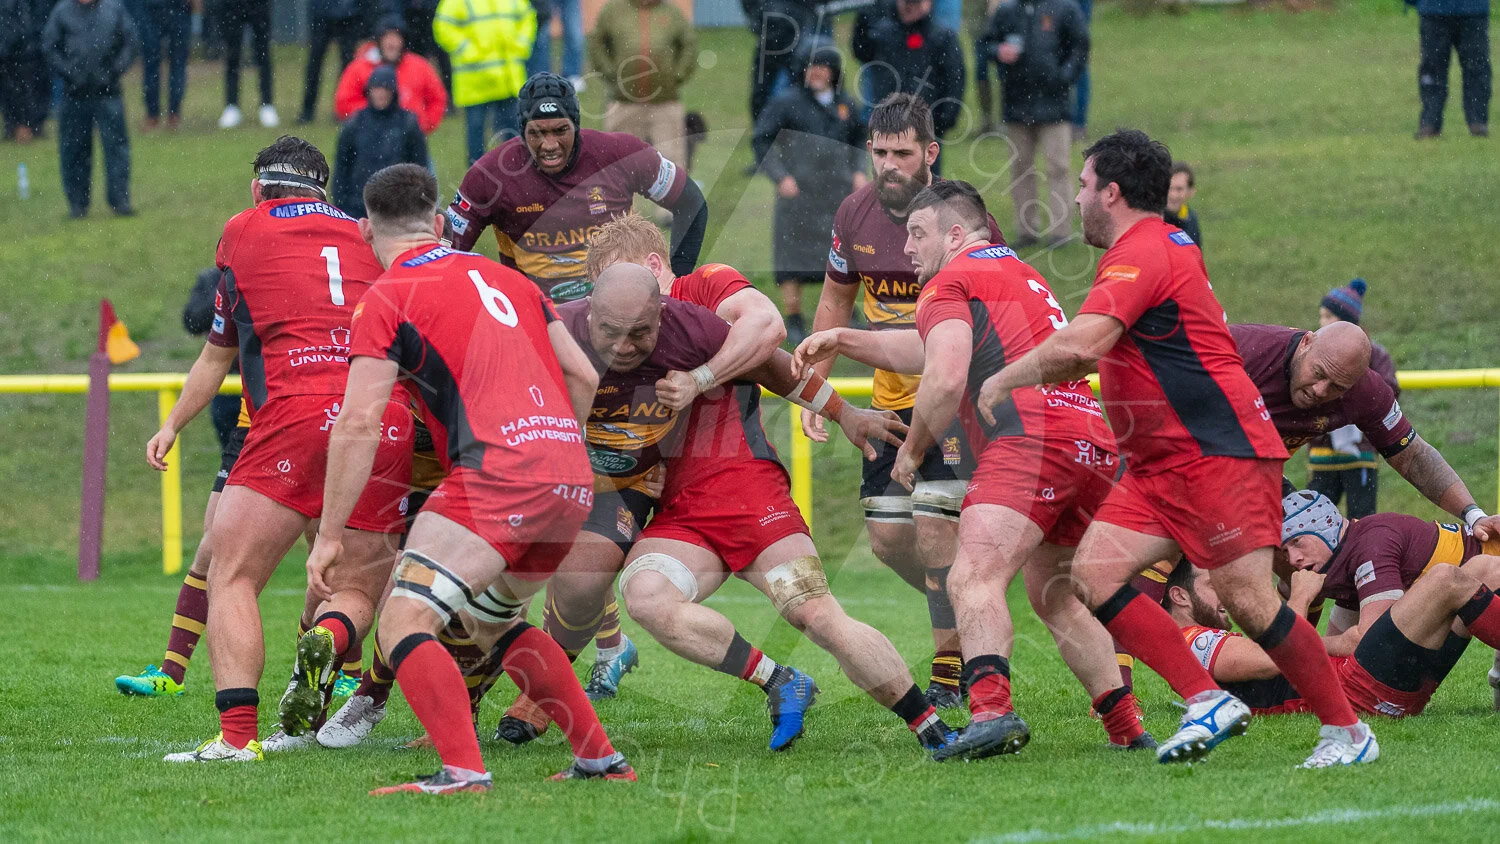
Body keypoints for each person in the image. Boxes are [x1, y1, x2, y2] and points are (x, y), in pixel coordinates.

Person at [973, 128, 1379, 768]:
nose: (1075, 199)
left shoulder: (1147, 249)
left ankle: (1349, 732)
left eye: (1081, 186)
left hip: (1217, 453)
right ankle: (1206, 700)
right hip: (1162, 462)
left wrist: (1000, 376)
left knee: (1248, 602)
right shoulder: (1154, 246)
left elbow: (1082, 345)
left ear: (1110, 192)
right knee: (1092, 574)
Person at [303, 162, 636, 792]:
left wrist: (328, 537)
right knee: (497, 623)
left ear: (369, 236)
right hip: (568, 472)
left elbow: (356, 424)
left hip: (495, 472)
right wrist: (558, 450)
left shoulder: (386, 297)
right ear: (437, 224)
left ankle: (462, 772)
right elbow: (585, 378)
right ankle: (600, 760)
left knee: (404, 619)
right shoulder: (508, 278)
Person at [794, 180, 1152, 758]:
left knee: (970, 577)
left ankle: (990, 713)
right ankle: (1128, 728)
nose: (906, 248)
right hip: (1089, 439)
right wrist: (843, 338)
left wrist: (911, 451)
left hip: (1028, 439)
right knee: (1055, 596)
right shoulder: (1011, 269)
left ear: (955, 234)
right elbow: (929, 349)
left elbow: (942, 377)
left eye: (917, 233)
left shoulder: (949, 280)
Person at [571, 264, 960, 755]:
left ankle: (931, 728)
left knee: (814, 614)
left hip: (748, 492)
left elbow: (770, 351)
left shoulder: (695, 316)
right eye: (614, 329)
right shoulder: (580, 337)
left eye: (639, 329)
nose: (625, 344)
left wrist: (844, 412)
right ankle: (780, 679)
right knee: (646, 596)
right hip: (682, 511)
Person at [156, 137, 412, 763]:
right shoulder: (363, 232)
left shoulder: (242, 230)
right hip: (384, 415)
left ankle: (239, 737)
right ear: (324, 190)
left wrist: (171, 426)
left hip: (296, 414)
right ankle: (326, 635)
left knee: (233, 574)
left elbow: (216, 353)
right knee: (353, 584)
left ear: (256, 190)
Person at [491, 214, 788, 743]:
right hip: (600, 470)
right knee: (537, 574)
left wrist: (839, 410)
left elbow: (771, 345)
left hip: (674, 480)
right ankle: (516, 685)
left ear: (653, 271)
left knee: (586, 581)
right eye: (605, 302)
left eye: (635, 309)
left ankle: (539, 690)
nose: (622, 326)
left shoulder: (703, 298)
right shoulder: (577, 323)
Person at [803, 94, 1004, 707]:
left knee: (937, 532)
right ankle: (970, 605)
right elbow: (837, 301)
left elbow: (992, 304)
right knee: (891, 541)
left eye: (903, 153)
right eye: (880, 152)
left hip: (949, 400)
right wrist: (820, 386)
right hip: (887, 405)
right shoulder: (853, 214)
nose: (889, 165)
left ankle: (950, 667)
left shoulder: (961, 217)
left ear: (931, 154)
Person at [1165, 520, 1500, 719]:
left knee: (1483, 569)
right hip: (1358, 691)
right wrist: (1300, 598)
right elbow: (1273, 659)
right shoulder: (1190, 642)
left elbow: (1303, 650)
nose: (1226, 595)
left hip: (1377, 684)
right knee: (1445, 579)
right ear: (1180, 596)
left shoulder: (1204, 643)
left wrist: (1345, 640)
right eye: (1213, 586)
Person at [444, 73, 709, 303]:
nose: (549, 145)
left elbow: (691, 204)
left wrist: (675, 281)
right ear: (522, 131)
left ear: (577, 126)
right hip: (539, 320)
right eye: (536, 133)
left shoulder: (620, 154)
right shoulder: (489, 175)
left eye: (560, 130)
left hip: (621, 310)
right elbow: (442, 253)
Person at [1230, 320, 1500, 537]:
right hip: (1199, 459)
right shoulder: (1243, 351)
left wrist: (1474, 515)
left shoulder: (1366, 392)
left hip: (1254, 469)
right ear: (1306, 343)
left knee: (1310, 552)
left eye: (1337, 387)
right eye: (1319, 373)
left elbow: (1414, 457)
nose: (1319, 391)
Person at [752, 45, 865, 343]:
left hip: (837, 196)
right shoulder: (786, 102)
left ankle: (848, 313)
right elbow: (761, 140)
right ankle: (794, 318)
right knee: (791, 258)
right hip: (797, 194)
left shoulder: (846, 105)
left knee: (844, 256)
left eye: (823, 65)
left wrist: (858, 172)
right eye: (811, 65)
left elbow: (858, 140)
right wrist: (780, 177)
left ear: (834, 71)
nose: (816, 71)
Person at [979, 0, 1088, 247]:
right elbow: (986, 44)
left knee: (1058, 167)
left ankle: (1060, 232)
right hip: (1016, 105)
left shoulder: (1065, 9)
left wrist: (1065, 76)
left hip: (1055, 105)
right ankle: (1026, 230)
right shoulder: (1006, 11)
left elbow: (1080, 47)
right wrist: (999, 52)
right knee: (1020, 168)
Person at [1306, 279, 1397, 519]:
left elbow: (1387, 393)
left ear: (1346, 320)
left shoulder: (1374, 355)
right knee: (1313, 520)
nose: (1322, 322)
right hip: (1322, 452)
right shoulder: (1313, 349)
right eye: (1321, 316)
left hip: (1360, 453)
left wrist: (1352, 399)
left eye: (1328, 316)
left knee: (1362, 521)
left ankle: (1361, 558)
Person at [43, 0, 138, 219]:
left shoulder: (114, 9)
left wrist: (114, 70)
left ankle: (120, 200)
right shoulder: (62, 12)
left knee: (116, 147)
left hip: (108, 92)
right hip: (74, 94)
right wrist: (69, 72)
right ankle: (77, 204)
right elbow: (49, 46)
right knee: (74, 149)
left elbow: (131, 43)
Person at [851, 0, 965, 171]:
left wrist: (945, 117)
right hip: (888, 123)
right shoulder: (884, 33)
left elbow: (954, 78)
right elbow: (861, 51)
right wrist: (864, 17)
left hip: (925, 125)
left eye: (917, 3)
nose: (911, 8)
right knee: (889, 184)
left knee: (925, 183)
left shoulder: (942, 36)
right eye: (907, 3)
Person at [588, 0, 698, 174]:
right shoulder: (613, 11)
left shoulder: (672, 13)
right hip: (623, 104)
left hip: (665, 104)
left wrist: (677, 75)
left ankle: (674, 202)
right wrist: (611, 73)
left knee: (673, 167)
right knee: (619, 168)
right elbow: (597, 43)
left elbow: (689, 45)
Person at [434, 0, 536, 165]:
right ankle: (478, 184)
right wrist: (467, 50)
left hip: (507, 80)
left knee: (515, 138)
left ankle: (519, 176)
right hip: (476, 82)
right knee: (477, 140)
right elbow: (443, 26)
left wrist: (522, 44)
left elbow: (527, 16)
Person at [332, 65, 429, 219]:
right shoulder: (354, 124)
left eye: (385, 89)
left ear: (393, 92)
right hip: (358, 206)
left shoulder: (408, 124)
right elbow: (342, 168)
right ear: (369, 91)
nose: (380, 93)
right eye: (376, 88)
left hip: (398, 207)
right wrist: (342, 205)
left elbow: (420, 169)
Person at [333, 16, 448, 135]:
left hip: (411, 141)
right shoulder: (359, 68)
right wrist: (372, 120)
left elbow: (438, 98)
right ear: (378, 41)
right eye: (387, 37)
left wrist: (424, 124)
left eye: (396, 37)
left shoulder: (419, 66)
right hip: (370, 140)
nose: (391, 43)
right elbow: (343, 104)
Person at [1410, 0, 1490, 138]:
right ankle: (1477, 121)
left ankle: (1430, 123)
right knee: (1475, 68)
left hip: (1437, 9)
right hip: (1469, 9)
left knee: (1433, 70)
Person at [298, 0, 370, 124]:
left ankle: (341, 108)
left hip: (348, 12)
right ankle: (307, 109)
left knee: (347, 66)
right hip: (325, 11)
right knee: (315, 62)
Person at [0, 0, 50, 143]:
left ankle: (27, 126)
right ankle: (14, 126)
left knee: (23, 91)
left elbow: (24, 22)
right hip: (14, 49)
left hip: (21, 51)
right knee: (12, 91)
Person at [136, 0, 190, 130]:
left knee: (166, 62)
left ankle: (167, 113)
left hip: (173, 7)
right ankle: (160, 114)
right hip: (159, 7)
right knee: (157, 63)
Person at [1164, 161, 1200, 248]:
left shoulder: (1190, 218)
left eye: (1179, 189)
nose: (1173, 195)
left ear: (1191, 191)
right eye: (1169, 188)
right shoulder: (1155, 218)